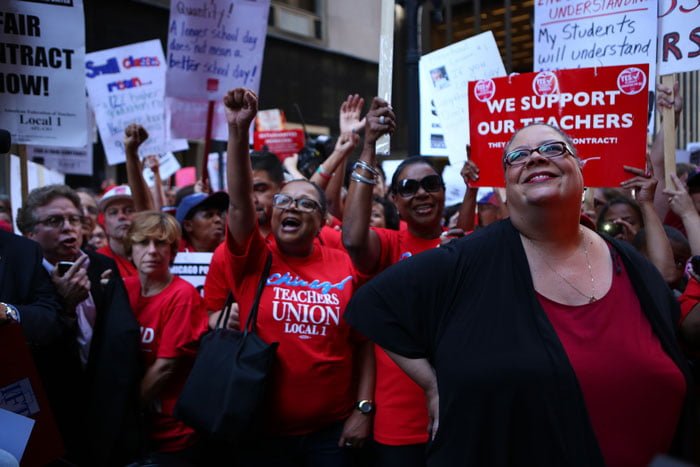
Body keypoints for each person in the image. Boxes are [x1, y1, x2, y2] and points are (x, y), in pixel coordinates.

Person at [345, 123, 694, 466]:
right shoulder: (469, 259)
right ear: (506, 183)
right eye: (518, 156)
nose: (535, 159)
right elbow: (372, 305)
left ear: (581, 169)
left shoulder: (630, 263)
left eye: (553, 149)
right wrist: (434, 385)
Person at [222, 87, 374, 466]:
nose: (292, 207)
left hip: (329, 436)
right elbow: (240, 201)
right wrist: (238, 132)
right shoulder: (253, 258)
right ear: (271, 215)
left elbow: (364, 344)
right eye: (283, 201)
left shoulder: (344, 266)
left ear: (323, 221)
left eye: (306, 204)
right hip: (259, 431)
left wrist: (363, 409)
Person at [342, 97, 471, 467]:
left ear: (443, 192)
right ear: (395, 200)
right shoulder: (387, 246)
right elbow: (352, 238)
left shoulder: (464, 245)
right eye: (409, 188)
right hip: (398, 423)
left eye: (430, 183)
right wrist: (368, 144)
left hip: (457, 411)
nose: (422, 193)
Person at [15, 184, 142, 466]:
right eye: (54, 221)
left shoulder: (100, 266)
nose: (68, 228)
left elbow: (120, 339)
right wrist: (65, 308)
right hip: (50, 413)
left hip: (103, 412)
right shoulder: (22, 278)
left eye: (74, 219)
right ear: (29, 233)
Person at [123, 211, 209, 463]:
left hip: (171, 434)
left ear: (172, 251)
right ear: (130, 249)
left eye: (160, 243)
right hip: (132, 432)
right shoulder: (122, 288)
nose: (152, 250)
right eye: (143, 242)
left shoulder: (182, 295)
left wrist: (124, 412)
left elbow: (165, 367)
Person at [97, 185, 138, 278]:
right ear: (105, 224)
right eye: (113, 212)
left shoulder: (152, 254)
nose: (121, 216)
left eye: (129, 210)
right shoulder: (97, 260)